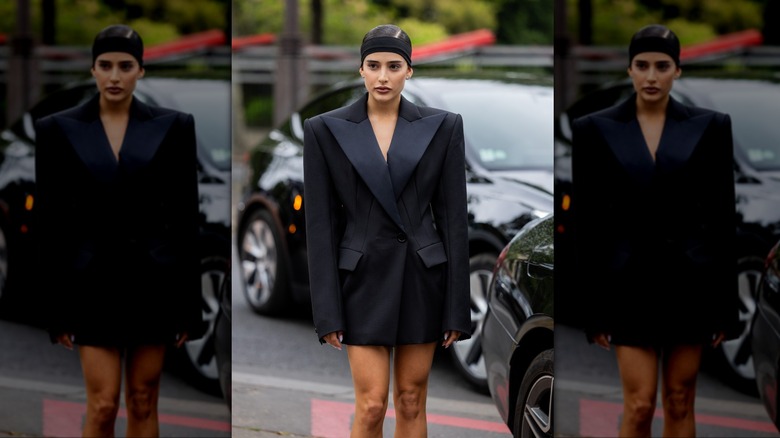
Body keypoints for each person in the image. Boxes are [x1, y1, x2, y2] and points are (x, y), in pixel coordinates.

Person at [34, 24, 205, 437]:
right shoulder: (57, 129)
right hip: (92, 284)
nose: (114, 76)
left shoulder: (175, 126)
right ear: (92, 69)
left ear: (140, 71)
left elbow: (186, 217)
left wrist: (188, 304)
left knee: (144, 398)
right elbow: (51, 224)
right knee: (104, 402)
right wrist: (55, 308)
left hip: (155, 283)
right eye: (105, 65)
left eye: (125, 66)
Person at [570, 24, 739, 437]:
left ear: (677, 71)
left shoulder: (712, 126)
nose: (651, 76)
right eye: (642, 65)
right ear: (629, 69)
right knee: (640, 403)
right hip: (629, 285)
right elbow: (587, 224)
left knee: (680, 398)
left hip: (691, 284)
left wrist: (725, 305)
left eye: (662, 66)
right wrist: (592, 309)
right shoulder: (594, 129)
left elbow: (722, 217)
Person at [302, 24, 471, 437]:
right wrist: (327, 312)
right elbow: (321, 227)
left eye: (394, 66)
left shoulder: (444, 126)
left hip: (422, 278)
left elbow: (454, 221)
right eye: (374, 65)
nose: (383, 76)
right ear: (360, 69)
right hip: (361, 280)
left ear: (409, 71)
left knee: (411, 400)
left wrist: (456, 306)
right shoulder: (324, 130)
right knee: (373, 404)